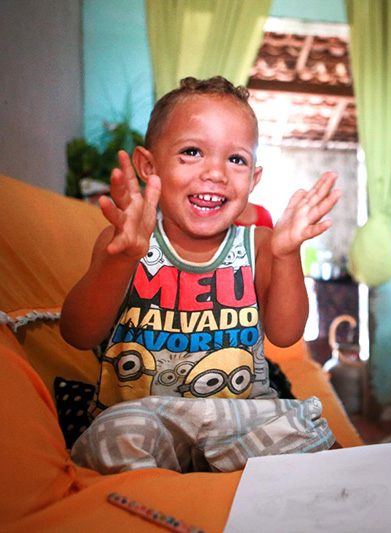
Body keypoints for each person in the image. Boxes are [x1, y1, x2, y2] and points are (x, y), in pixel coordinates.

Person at [60, 76, 342, 473]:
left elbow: (285, 332)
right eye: (192, 152)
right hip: (146, 416)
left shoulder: (260, 244)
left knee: (305, 431)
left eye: (236, 159)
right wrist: (121, 260)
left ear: (254, 180)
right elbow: (78, 333)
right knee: (115, 434)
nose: (216, 173)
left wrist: (286, 254)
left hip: (239, 416)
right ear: (148, 166)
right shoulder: (125, 240)